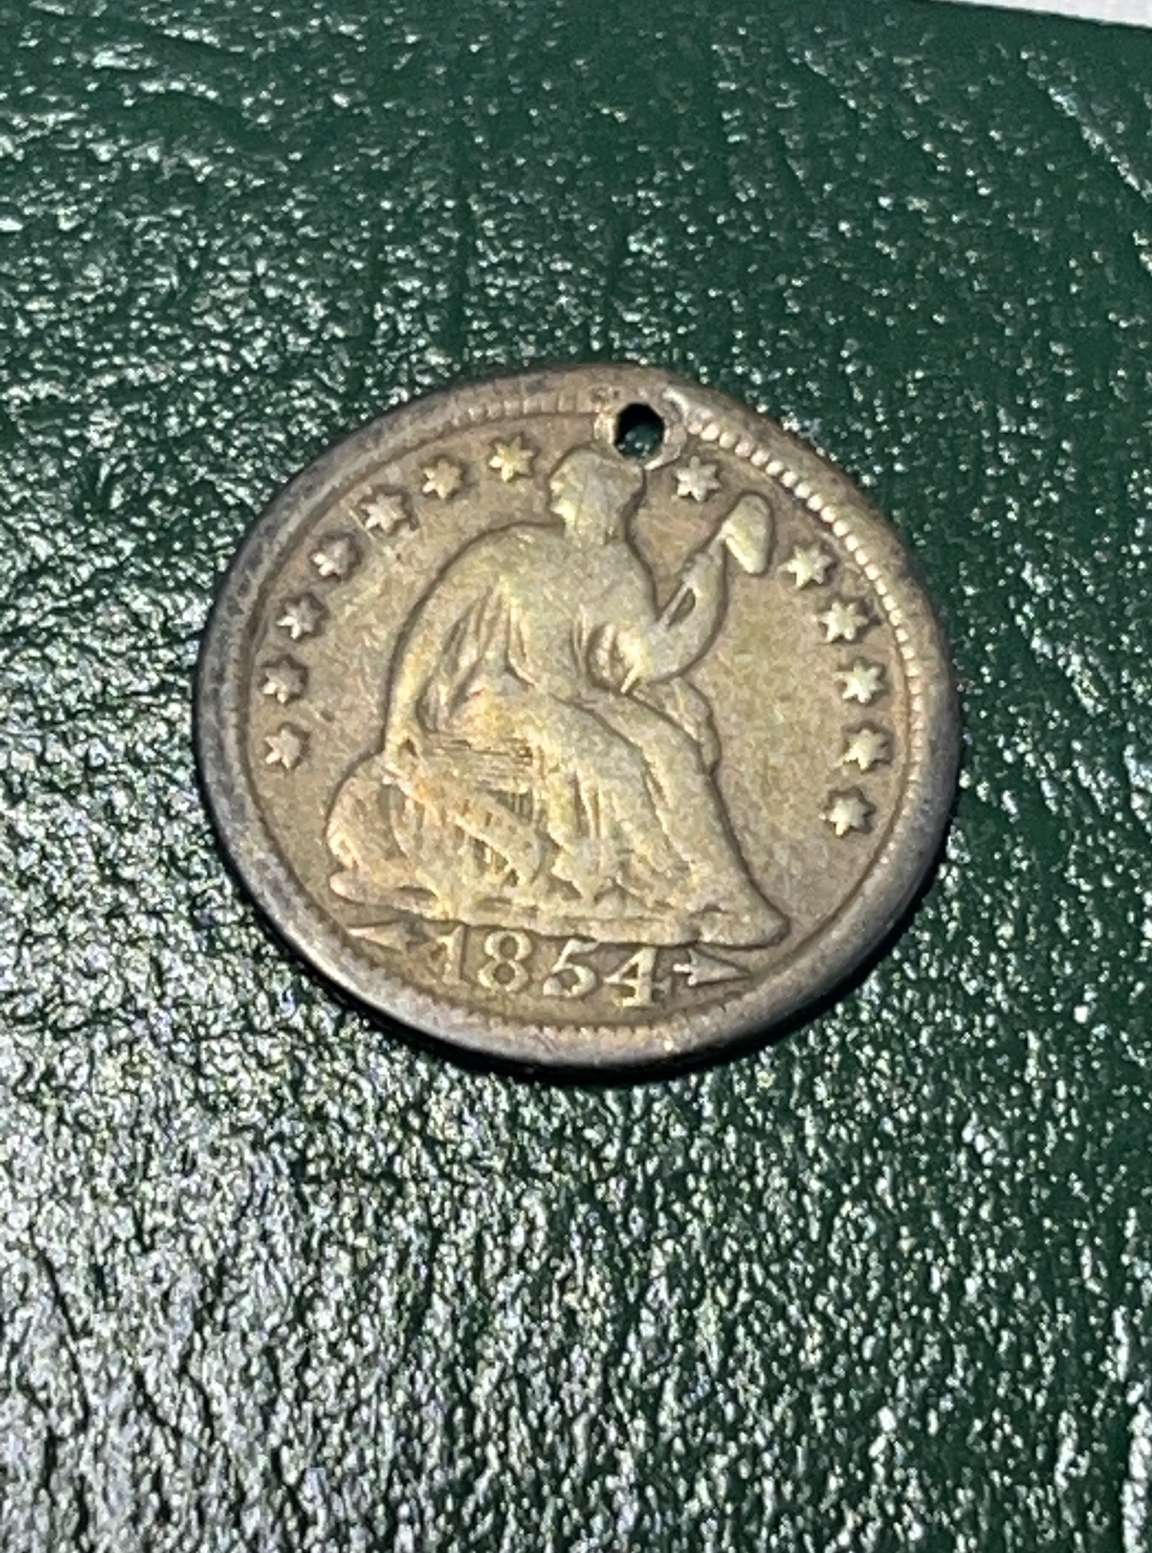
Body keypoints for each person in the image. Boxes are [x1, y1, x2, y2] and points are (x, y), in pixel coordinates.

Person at [327, 443, 787, 948]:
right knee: (612, 758)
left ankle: (727, 892)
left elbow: (654, 657)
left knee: (673, 748)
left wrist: (707, 588)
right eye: (568, 484)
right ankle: (663, 882)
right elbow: (431, 630)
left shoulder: (620, 568)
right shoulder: (511, 551)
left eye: (571, 484)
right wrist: (399, 716)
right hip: (498, 699)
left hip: (579, 696)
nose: (556, 490)